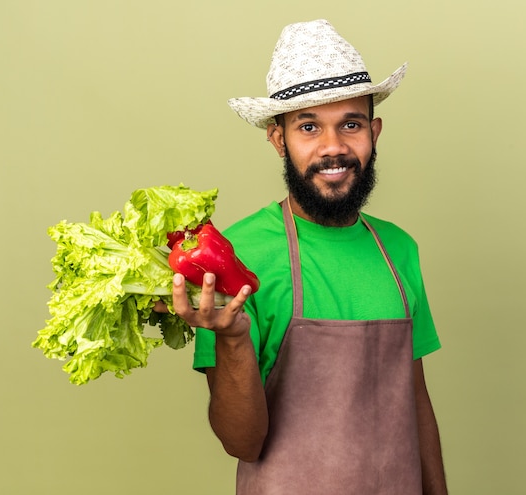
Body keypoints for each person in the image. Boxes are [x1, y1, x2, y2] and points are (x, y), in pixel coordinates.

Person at [168, 19, 448, 495]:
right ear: (279, 140)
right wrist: (234, 341)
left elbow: (413, 401)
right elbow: (243, 442)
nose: (333, 147)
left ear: (374, 132)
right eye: (309, 127)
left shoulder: (398, 249)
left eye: (351, 124)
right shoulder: (239, 255)